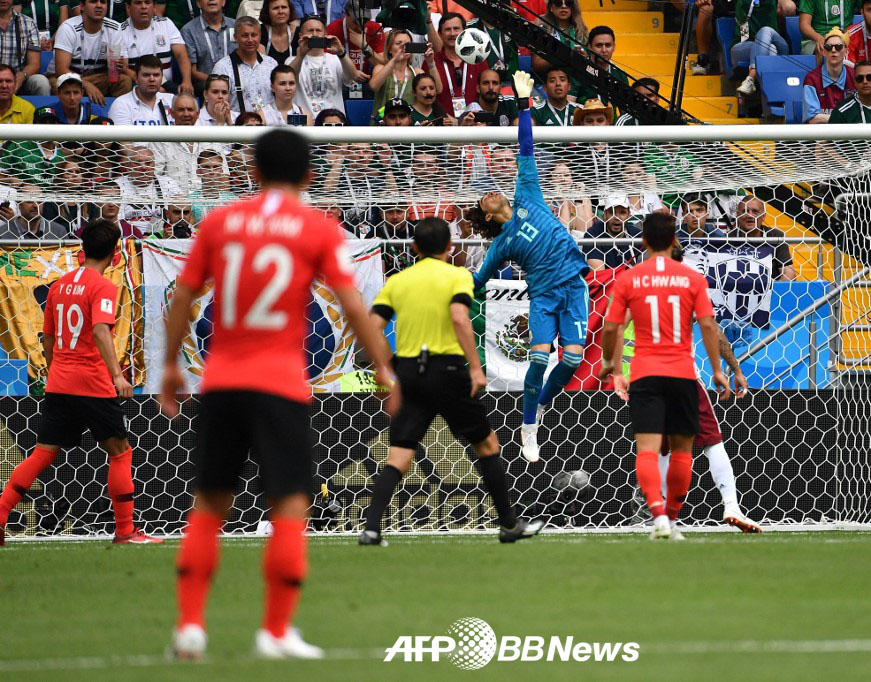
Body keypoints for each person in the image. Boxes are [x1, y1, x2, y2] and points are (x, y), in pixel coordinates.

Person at [160, 128, 398, 659]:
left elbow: (184, 296)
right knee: (290, 504)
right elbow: (351, 305)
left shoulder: (220, 223)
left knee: (209, 505)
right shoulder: (316, 228)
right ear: (310, 175)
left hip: (222, 381)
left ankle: (190, 624)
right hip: (281, 384)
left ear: (253, 172)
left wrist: (172, 364)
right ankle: (275, 629)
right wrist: (383, 368)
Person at [358, 217, 546, 547]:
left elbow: (372, 327)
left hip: (410, 373)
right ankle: (508, 524)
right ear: (450, 246)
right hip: (447, 371)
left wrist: (384, 368)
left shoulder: (399, 281)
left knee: (399, 455)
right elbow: (459, 317)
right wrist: (475, 367)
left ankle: (371, 529)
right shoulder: (457, 276)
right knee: (487, 445)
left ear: (413, 248)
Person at [0, 219, 162, 548]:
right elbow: (101, 330)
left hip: (60, 381)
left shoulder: (59, 286)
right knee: (120, 453)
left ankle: (0, 517)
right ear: (115, 254)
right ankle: (126, 530)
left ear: (82, 250)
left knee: (42, 454)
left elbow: (47, 337)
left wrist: (54, 369)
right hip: (92, 383)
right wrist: (117, 375)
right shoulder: (102, 286)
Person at [468, 72, 591, 463]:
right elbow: (478, 281)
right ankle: (528, 427)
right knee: (538, 357)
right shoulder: (501, 245)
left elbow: (525, 145)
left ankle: (538, 404)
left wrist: (524, 103)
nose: (490, 192)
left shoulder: (527, 193)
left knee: (571, 360)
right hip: (543, 297)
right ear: (488, 217)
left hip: (574, 286)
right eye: (484, 198)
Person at [598, 212, 729, 540]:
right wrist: (717, 370)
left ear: (643, 241)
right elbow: (708, 325)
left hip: (645, 374)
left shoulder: (629, 278)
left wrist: (612, 367)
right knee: (683, 452)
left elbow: (611, 327)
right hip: (682, 374)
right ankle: (671, 520)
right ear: (674, 241)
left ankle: (657, 516)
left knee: (647, 449)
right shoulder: (692, 278)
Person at [53, 0, 132, 105]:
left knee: (124, 80)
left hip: (97, 78)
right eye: (93, 2)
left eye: (103, 2)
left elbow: (118, 70)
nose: (99, 5)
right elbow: (61, 69)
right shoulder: (68, 28)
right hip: (68, 78)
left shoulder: (114, 28)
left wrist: (117, 66)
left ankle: (118, 112)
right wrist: (84, 84)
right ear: (82, 6)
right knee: (59, 85)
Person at [287, 15, 366, 119]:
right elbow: (288, 79)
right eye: (310, 30)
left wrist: (341, 53)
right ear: (301, 35)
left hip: (334, 122)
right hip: (305, 122)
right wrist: (301, 55)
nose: (314, 34)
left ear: (326, 35)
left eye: (318, 30)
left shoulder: (335, 59)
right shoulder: (292, 60)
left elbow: (352, 77)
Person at [120, 0, 193, 94]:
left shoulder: (166, 24)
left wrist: (187, 81)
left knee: (187, 95)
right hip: (138, 85)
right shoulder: (120, 31)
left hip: (167, 85)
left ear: (154, 6)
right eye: (138, 3)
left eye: (147, 2)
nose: (144, 7)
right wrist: (153, 86)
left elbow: (182, 56)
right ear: (128, 7)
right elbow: (124, 69)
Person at [209, 15, 275, 113]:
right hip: (236, 122)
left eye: (254, 35)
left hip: (269, 121)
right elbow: (216, 103)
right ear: (235, 37)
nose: (250, 40)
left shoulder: (271, 64)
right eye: (245, 36)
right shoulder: (222, 67)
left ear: (260, 36)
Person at [431, 12, 485, 117]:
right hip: (443, 122)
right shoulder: (432, 61)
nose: (452, 33)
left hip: (474, 121)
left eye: (456, 29)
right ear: (440, 34)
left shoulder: (478, 58)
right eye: (447, 30)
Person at [732, 0, 789, 97]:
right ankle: (772, 99)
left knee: (766, 30)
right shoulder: (743, 3)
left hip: (776, 41)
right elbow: (744, 36)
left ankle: (751, 77)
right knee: (770, 50)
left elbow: (788, 7)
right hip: (745, 46)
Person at [368, 29, 425, 124]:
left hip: (408, 127)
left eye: (407, 44)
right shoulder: (380, 68)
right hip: (381, 126)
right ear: (389, 49)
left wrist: (431, 63)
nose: (403, 47)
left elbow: (437, 91)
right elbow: (374, 86)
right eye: (399, 43)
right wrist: (395, 60)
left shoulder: (417, 72)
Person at [734, 196, 797, 280]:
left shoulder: (775, 236)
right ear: (738, 215)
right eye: (745, 211)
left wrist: (772, 287)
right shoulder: (729, 239)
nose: (749, 215)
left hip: (771, 286)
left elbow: (789, 273)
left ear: (763, 216)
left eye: (755, 211)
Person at [181, 0, 236, 92]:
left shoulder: (235, 26)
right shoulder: (188, 31)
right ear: (198, 3)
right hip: (206, 88)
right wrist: (218, 82)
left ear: (223, 2)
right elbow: (192, 71)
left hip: (237, 84)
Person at [803, 28, 854, 123]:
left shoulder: (855, 76)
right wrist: (841, 119)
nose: (833, 50)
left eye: (838, 47)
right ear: (823, 52)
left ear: (846, 52)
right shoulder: (811, 79)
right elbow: (812, 119)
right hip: (821, 131)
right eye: (829, 47)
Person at [107, 53, 176, 123]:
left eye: (156, 75)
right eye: (146, 75)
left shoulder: (171, 100)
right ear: (136, 78)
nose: (152, 79)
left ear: (162, 78)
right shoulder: (121, 105)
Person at [0, 0, 49, 95]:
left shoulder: (28, 23)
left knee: (41, 82)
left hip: (19, 78)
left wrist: (22, 75)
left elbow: (34, 63)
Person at [571, 26, 629, 106]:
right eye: (599, 46)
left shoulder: (620, 75)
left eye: (608, 45)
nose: (604, 50)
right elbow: (569, 103)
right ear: (590, 47)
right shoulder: (578, 70)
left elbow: (625, 109)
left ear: (614, 47)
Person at [531, 0, 588, 75]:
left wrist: (585, 60)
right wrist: (563, 56)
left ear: (573, 7)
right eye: (558, 3)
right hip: (552, 78)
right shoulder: (543, 30)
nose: (564, 6)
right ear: (551, 7)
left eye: (568, 2)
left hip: (577, 78)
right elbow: (536, 65)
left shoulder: (582, 31)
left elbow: (591, 67)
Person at [584, 196, 641, 270]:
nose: (617, 217)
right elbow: (598, 274)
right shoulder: (593, 235)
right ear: (605, 215)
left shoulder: (637, 235)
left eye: (622, 213)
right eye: (612, 212)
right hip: (608, 277)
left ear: (628, 215)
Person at [258, 0, 297, 65]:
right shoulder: (260, 31)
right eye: (275, 8)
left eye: (284, 7)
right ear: (267, 11)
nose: (280, 12)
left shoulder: (299, 33)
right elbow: (262, 64)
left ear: (290, 10)